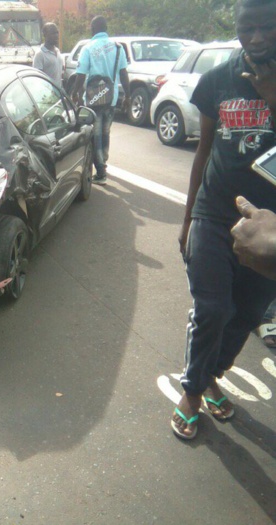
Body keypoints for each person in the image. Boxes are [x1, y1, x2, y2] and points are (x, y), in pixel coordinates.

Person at [171, 0, 276, 440]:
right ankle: (193, 391)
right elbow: (204, 149)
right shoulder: (217, 79)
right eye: (246, 29)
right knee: (212, 309)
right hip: (214, 214)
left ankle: (215, 373)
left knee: (248, 312)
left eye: (266, 28)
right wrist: (187, 216)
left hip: (270, 231)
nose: (255, 38)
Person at [71, 16, 130, 186]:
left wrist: (75, 93)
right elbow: (124, 73)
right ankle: (104, 162)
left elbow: (81, 75)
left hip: (93, 99)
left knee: (95, 135)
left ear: (92, 29)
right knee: (105, 132)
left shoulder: (88, 48)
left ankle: (101, 172)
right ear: (106, 28)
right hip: (111, 98)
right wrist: (128, 95)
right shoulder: (118, 48)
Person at [33, 23, 63, 87]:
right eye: (53, 33)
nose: (56, 36)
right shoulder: (40, 54)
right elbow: (37, 78)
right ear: (45, 35)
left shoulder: (58, 51)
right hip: (46, 94)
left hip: (58, 93)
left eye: (57, 33)